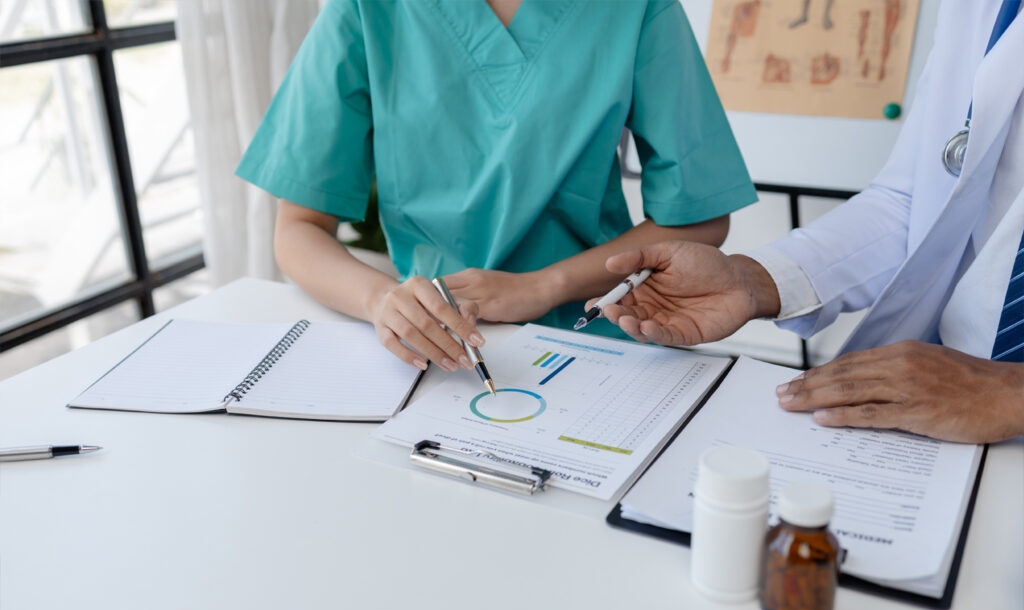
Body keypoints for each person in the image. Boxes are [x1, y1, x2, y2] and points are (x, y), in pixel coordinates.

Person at [236, 0, 757, 374]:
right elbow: (298, 229)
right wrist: (381, 302)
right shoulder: (366, 10)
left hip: (600, 333)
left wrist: (540, 288)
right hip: (435, 342)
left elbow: (699, 216)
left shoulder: (635, 8)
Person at [597, 0, 1024, 445]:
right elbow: (914, 202)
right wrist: (752, 280)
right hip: (943, 404)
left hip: (973, 400)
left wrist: (1011, 392)